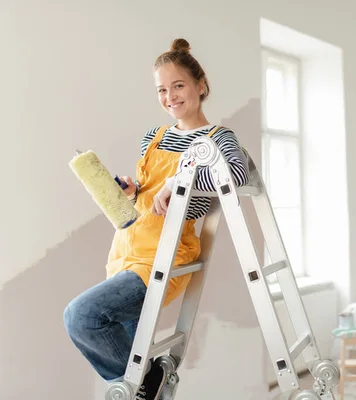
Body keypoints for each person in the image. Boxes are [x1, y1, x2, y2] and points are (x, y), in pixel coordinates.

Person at [63, 38, 250, 400]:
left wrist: (179, 179)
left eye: (178, 85)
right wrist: (131, 190)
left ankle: (147, 384)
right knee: (126, 346)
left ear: (200, 85)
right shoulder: (154, 136)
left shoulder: (216, 138)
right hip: (125, 252)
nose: (170, 96)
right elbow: (150, 196)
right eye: (162, 89)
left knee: (82, 317)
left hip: (165, 257)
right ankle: (150, 386)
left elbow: (235, 176)